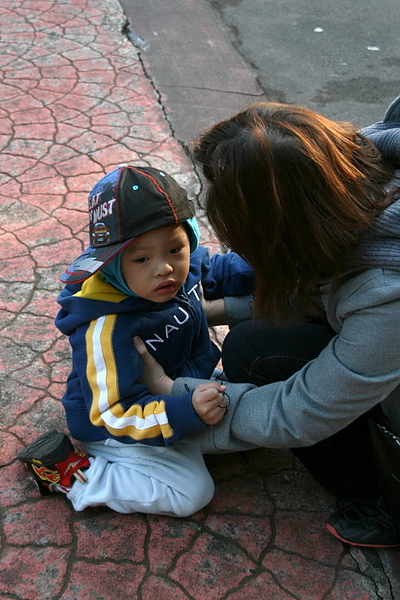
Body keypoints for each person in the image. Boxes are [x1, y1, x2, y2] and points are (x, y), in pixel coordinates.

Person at [135, 96, 400, 547]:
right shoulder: (356, 168)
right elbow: (323, 280)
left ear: (284, 227)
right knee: (253, 346)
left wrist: (170, 404)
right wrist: (214, 310)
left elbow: (300, 413)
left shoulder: (387, 293)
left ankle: (382, 501)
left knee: (253, 354)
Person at [18, 165, 254, 516]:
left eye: (176, 249)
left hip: (177, 392)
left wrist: (262, 268)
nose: (164, 268)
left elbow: (217, 271)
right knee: (192, 492)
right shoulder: (105, 328)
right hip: (114, 423)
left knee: (252, 420)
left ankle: (184, 437)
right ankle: (76, 474)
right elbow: (112, 412)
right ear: (111, 264)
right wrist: (183, 413)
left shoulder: (179, 270)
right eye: (142, 258)